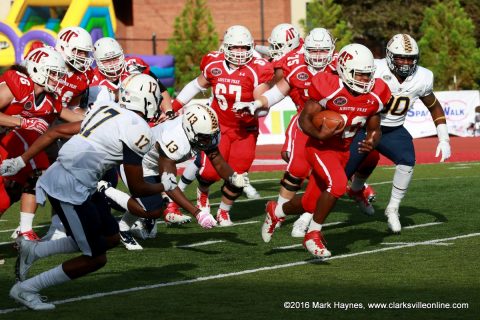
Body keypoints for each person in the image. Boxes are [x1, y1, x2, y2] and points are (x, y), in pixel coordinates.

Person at [4, 73, 176, 310]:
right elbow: (137, 187)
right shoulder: (139, 130)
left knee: (111, 237)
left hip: (79, 181)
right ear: (148, 101)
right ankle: (26, 289)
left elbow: (56, 132)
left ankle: (33, 250)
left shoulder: (107, 110)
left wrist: (21, 160)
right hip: (70, 188)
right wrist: (164, 186)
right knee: (96, 258)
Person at [260, 44, 391, 258]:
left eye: (369, 75)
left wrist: (372, 141)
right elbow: (304, 119)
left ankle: (275, 211)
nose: (366, 80)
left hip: (343, 150)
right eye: (360, 75)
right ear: (345, 70)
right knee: (338, 185)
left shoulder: (377, 93)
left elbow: (375, 128)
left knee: (310, 202)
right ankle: (313, 234)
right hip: (320, 148)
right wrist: (319, 135)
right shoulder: (328, 86)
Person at [234, 28, 337, 237]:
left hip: (334, 129)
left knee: (330, 179)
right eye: (314, 51)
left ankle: (306, 219)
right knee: (297, 170)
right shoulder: (296, 67)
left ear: (332, 50)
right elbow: (277, 92)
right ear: (304, 50)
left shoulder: (340, 67)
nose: (318, 56)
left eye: (323, 51)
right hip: (305, 124)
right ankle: (278, 213)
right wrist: (257, 102)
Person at [101, 104, 250, 249]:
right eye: (205, 137)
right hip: (138, 164)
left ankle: (123, 226)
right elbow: (169, 186)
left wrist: (233, 178)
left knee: (151, 226)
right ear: (190, 130)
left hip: (154, 165)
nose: (209, 141)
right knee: (153, 210)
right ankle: (105, 190)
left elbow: (217, 161)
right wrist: (197, 213)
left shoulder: (198, 132)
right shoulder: (175, 139)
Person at [344, 34, 451, 233]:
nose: (405, 62)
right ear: (389, 55)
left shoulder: (422, 77)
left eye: (410, 58)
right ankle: (312, 215)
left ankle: (393, 208)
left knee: (407, 160)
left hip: (394, 129)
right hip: (365, 127)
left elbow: (434, 106)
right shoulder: (375, 68)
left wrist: (444, 138)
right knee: (341, 175)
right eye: (400, 57)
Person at [171, 25, 274, 226]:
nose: (240, 52)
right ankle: (202, 194)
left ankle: (224, 211)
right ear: (225, 47)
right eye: (235, 47)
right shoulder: (213, 64)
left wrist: (253, 108)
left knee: (239, 175)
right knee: (209, 173)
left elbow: (263, 102)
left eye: (244, 48)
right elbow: (195, 85)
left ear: (251, 47)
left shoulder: (257, 68)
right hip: (217, 128)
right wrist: (174, 106)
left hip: (245, 131)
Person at [0, 46, 84, 241]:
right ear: (38, 70)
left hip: (8, 146)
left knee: (8, 196)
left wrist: (102, 120)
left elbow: (72, 118)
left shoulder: (48, 100)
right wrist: (22, 121)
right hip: (7, 143)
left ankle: (25, 230)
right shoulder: (18, 84)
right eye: (54, 74)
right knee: (37, 159)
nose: (58, 80)